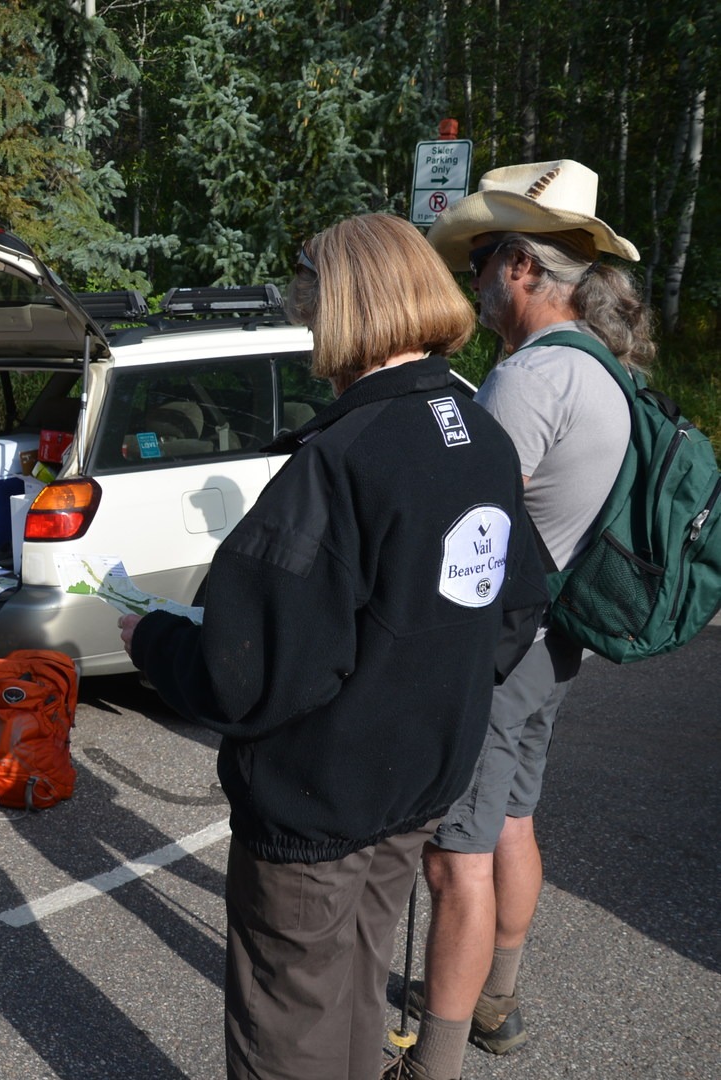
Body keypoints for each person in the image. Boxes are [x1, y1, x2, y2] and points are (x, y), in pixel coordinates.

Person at [119, 213, 548, 1080]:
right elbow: (518, 607)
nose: (303, 316)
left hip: (319, 804)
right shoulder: (478, 435)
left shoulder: (340, 459)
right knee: (353, 995)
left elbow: (247, 674)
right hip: (416, 786)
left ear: (347, 303)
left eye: (307, 296)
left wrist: (151, 636)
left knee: (291, 1031)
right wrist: (427, 689)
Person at [405, 160, 651, 1080]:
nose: (474, 286)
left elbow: (463, 521)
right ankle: (496, 1001)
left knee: (452, 855)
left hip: (499, 648)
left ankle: (434, 1058)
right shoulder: (604, 367)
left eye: (480, 267)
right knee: (512, 821)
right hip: (556, 639)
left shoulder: (532, 378)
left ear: (519, 268)